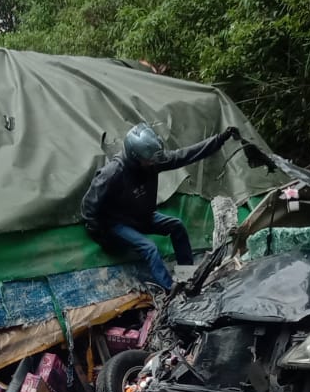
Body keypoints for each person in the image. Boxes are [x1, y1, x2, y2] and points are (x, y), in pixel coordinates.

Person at [80, 122, 241, 290]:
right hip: (118, 223)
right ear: (135, 156)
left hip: (142, 217)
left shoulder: (152, 162)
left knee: (177, 226)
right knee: (149, 248)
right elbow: (88, 207)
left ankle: (186, 277)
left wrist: (221, 138)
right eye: (148, 160)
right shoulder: (113, 173)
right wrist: (100, 234)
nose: (152, 163)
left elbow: (185, 155)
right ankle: (171, 288)